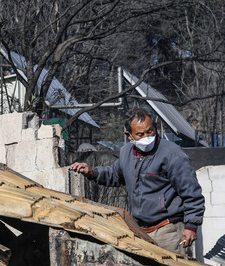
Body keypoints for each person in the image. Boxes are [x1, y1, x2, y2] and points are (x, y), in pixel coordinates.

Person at [70, 107, 205, 253]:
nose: (147, 137)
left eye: (150, 131)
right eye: (140, 134)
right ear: (129, 135)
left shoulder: (172, 154)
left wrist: (191, 226)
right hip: (140, 231)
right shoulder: (126, 153)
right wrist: (91, 173)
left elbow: (192, 193)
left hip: (168, 230)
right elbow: (115, 174)